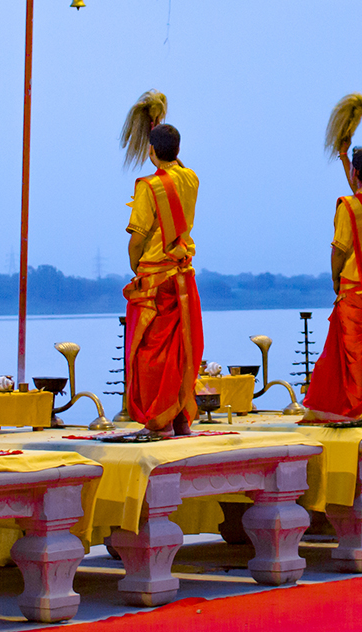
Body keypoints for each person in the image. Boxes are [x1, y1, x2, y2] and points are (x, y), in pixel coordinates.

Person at [302, 145, 362, 423]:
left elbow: (339, 249)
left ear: (356, 172)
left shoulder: (349, 206)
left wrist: (335, 278)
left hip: (353, 285)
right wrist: (346, 159)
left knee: (354, 353)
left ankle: (358, 409)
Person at [124, 124, 205, 437]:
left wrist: (135, 266)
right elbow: (178, 169)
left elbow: (137, 238)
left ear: (151, 151)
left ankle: (160, 419)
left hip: (157, 276)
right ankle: (180, 416)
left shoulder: (149, 186)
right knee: (180, 350)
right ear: (179, 151)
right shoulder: (191, 178)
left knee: (151, 353)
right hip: (183, 275)